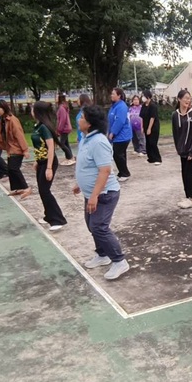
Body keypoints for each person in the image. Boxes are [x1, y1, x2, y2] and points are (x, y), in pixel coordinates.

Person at [73, 105, 129, 280]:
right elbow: (86, 165)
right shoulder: (85, 138)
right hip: (91, 193)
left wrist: (95, 195)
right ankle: (102, 255)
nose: (79, 119)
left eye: (82, 117)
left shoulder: (99, 142)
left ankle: (119, 261)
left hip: (105, 194)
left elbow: (105, 170)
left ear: (89, 123)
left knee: (99, 227)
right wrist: (80, 183)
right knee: (91, 225)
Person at [31, 101, 68, 230]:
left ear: (38, 112)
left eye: (33, 109)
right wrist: (37, 160)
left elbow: (51, 147)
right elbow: (40, 146)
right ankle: (48, 216)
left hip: (49, 162)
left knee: (45, 191)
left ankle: (57, 220)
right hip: (41, 161)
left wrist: (49, 168)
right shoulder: (37, 126)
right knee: (42, 190)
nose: (31, 111)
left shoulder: (44, 128)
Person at [0, 100, 31, 198]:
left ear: (4, 109)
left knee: (14, 168)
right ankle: (17, 188)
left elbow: (19, 134)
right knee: (10, 169)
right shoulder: (2, 120)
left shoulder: (13, 120)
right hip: (10, 148)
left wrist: (25, 150)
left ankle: (26, 188)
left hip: (16, 148)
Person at [172, 89, 192, 209]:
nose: (187, 100)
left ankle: (191, 198)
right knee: (184, 174)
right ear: (179, 99)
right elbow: (175, 133)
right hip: (183, 151)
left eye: (189, 98)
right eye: (185, 98)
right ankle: (187, 196)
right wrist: (178, 149)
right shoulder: (175, 115)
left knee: (190, 174)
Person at [106, 87, 133, 180]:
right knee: (120, 154)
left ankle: (125, 173)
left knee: (117, 154)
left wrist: (113, 132)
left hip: (122, 135)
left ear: (119, 96)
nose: (111, 95)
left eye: (113, 94)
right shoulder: (114, 106)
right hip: (119, 136)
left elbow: (120, 121)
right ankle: (122, 172)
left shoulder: (121, 107)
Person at [141, 90, 162, 165]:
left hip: (153, 127)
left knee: (152, 143)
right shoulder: (143, 106)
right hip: (145, 126)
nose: (142, 97)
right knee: (148, 143)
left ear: (148, 96)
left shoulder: (153, 106)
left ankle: (157, 158)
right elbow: (142, 117)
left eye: (144, 96)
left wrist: (149, 128)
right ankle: (151, 158)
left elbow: (152, 118)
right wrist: (142, 127)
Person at [55, 94, 76, 166]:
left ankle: (70, 157)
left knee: (62, 143)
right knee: (66, 143)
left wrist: (59, 129)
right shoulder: (64, 107)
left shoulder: (61, 108)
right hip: (66, 128)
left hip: (64, 128)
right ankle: (69, 157)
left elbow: (62, 120)